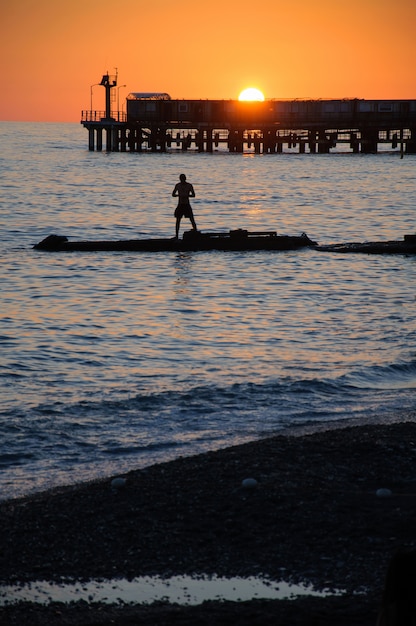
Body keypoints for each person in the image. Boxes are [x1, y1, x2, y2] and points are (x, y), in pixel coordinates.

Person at [172, 174, 197, 239]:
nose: (182, 180)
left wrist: (186, 196)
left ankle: (195, 231)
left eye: (183, 178)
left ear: (185, 178)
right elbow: (173, 194)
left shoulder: (189, 185)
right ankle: (176, 236)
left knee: (191, 219)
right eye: (181, 178)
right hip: (180, 204)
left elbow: (193, 195)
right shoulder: (178, 185)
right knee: (178, 220)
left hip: (186, 204)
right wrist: (179, 195)